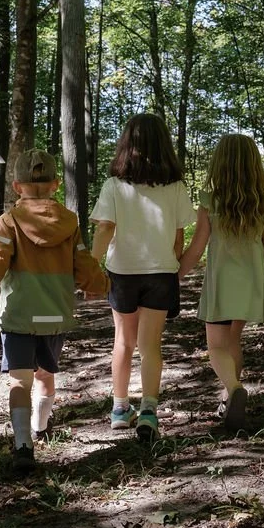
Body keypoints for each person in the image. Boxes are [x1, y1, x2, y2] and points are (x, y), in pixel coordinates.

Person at [0, 149, 110, 473]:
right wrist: (101, 284)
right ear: (56, 183)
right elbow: (84, 264)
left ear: (17, 187)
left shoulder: (10, 221)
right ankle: (41, 426)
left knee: (20, 381)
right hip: (54, 316)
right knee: (45, 376)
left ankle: (24, 445)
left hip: (19, 316)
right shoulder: (69, 222)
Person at [90, 113, 197, 442]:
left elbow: (105, 228)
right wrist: (172, 264)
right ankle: (149, 411)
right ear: (164, 145)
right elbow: (179, 238)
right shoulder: (175, 187)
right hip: (161, 273)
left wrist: (93, 265)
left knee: (123, 342)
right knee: (151, 346)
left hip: (122, 272)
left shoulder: (114, 185)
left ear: (127, 144)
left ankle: (120, 409)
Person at [178, 134, 264, 431]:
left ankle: (234, 389)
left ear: (219, 163)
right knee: (232, 340)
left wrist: (174, 277)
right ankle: (228, 399)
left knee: (215, 345)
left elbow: (196, 249)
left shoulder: (210, 200)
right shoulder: (263, 201)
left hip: (223, 279)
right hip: (251, 279)